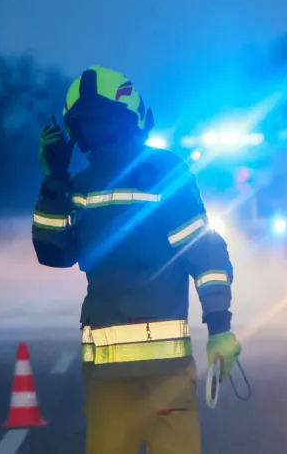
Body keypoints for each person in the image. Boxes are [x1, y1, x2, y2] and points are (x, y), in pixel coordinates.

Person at [30, 65, 241, 454]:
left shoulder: (79, 188)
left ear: (74, 132)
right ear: (136, 114)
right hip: (167, 375)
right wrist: (220, 327)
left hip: (107, 378)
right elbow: (205, 254)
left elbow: (53, 251)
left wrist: (54, 180)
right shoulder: (166, 172)